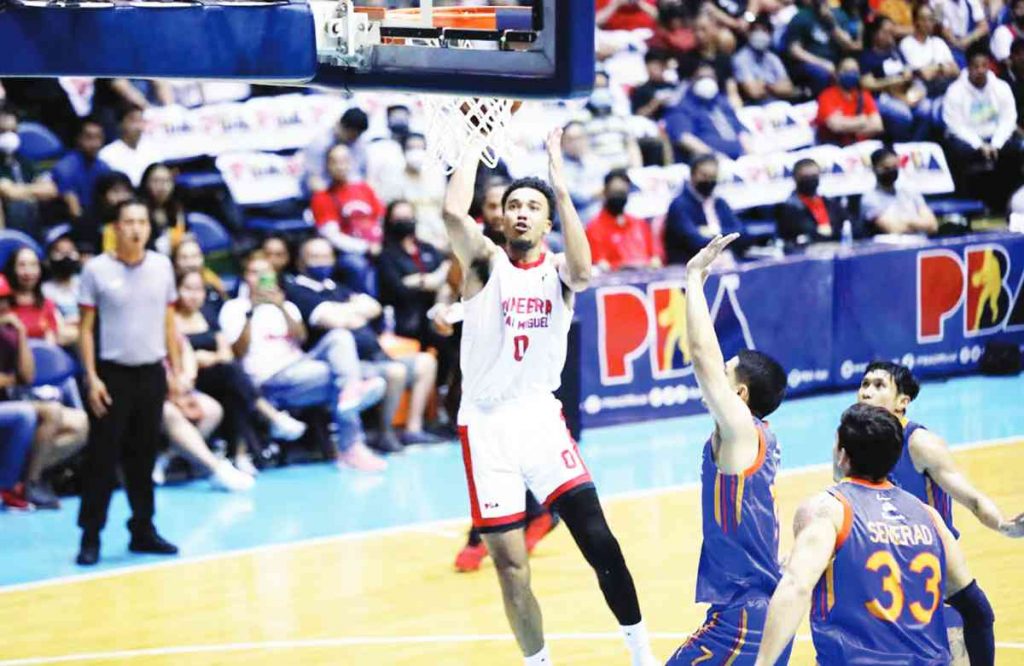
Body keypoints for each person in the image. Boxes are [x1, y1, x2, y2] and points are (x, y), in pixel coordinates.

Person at [443, 128, 659, 666]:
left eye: (531, 207)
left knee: (599, 539)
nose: (519, 213)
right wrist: (470, 143)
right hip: (487, 426)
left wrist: (560, 188)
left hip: (539, 419)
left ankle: (641, 653)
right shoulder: (484, 263)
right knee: (510, 565)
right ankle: (538, 663)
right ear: (501, 217)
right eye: (512, 205)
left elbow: (585, 271)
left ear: (546, 222)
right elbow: (452, 215)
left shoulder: (560, 272)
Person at [754, 404, 997, 666]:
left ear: (843, 456)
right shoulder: (930, 517)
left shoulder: (828, 510)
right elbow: (978, 611)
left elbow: (796, 587)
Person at [666, 234, 790, 665]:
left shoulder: (741, 432)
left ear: (739, 393)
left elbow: (701, 355)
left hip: (745, 616)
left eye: (726, 374)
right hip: (758, 609)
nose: (714, 378)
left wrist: (694, 279)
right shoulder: (756, 436)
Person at [76, 199, 182, 566]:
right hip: (112, 375)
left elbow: (169, 322)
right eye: (128, 222)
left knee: (144, 456)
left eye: (142, 222)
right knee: (102, 460)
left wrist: (177, 369)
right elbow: (86, 331)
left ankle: (143, 529)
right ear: (116, 228)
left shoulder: (162, 267)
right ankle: (90, 536)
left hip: (151, 373)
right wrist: (91, 378)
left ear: (148, 229)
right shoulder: (96, 271)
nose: (136, 228)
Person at [218, 250, 388, 472]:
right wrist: (252, 312)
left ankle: (349, 396)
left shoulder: (286, 305)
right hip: (270, 379)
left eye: (265, 273)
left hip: (300, 367)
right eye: (253, 273)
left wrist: (280, 307)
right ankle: (352, 445)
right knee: (354, 376)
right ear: (245, 277)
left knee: (340, 337)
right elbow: (237, 352)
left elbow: (300, 338)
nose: (259, 278)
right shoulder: (234, 308)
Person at [285, 237, 442, 452]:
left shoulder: (336, 287)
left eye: (326, 256)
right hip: (346, 365)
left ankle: (413, 429)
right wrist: (352, 311)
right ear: (301, 262)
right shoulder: (298, 291)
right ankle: (384, 433)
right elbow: (335, 321)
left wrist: (344, 312)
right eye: (315, 257)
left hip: (377, 354)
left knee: (426, 362)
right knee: (395, 372)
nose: (322, 262)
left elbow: (373, 306)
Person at [174, 269, 306, 472]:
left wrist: (208, 357)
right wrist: (196, 360)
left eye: (199, 289)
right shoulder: (170, 319)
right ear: (176, 290)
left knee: (232, 382)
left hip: (215, 373)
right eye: (188, 289)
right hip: (186, 379)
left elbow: (226, 353)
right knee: (232, 375)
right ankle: (272, 417)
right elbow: (177, 354)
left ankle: (240, 455)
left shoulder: (207, 314)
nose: (194, 295)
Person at [942, 46, 1022, 209]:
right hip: (968, 139)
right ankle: (970, 205)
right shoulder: (955, 91)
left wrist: (996, 144)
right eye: (976, 66)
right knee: (957, 151)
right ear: (968, 67)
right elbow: (955, 125)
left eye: (984, 65)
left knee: (1017, 150)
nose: (980, 70)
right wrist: (979, 145)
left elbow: (1008, 120)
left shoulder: (1001, 87)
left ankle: (1008, 203)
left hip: (996, 138)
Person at [309, 143, 384, 296]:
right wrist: (366, 247)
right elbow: (333, 237)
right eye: (335, 161)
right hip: (349, 253)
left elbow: (381, 218)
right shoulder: (322, 197)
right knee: (356, 264)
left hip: (378, 245)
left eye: (344, 160)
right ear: (327, 165)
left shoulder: (364, 188)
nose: (340, 166)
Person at [860, 15, 934, 142]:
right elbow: (867, 83)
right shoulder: (868, 56)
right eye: (886, 32)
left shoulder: (896, 51)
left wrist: (908, 78)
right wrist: (891, 82)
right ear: (875, 34)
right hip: (882, 96)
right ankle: (900, 145)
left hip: (904, 92)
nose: (891, 35)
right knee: (903, 114)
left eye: (892, 32)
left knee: (927, 108)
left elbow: (907, 70)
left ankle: (915, 143)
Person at [663, 155, 742, 264]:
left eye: (713, 176)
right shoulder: (679, 205)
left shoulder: (720, 202)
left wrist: (713, 232)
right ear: (692, 175)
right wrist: (725, 237)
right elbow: (695, 241)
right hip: (688, 264)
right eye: (705, 176)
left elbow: (739, 232)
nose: (709, 181)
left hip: (723, 258)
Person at [664, 64, 751, 162]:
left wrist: (751, 154)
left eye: (710, 77)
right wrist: (715, 158)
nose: (707, 82)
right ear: (692, 80)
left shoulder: (721, 101)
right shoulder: (681, 107)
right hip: (709, 162)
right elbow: (685, 138)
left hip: (740, 157)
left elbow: (740, 131)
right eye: (701, 78)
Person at [0, 108, 59, 240]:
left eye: (13, 131)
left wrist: (22, 192)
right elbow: (9, 193)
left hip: (31, 222)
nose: (9, 137)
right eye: (3, 132)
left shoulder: (22, 160)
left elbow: (51, 189)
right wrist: (33, 191)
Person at [585, 169, 661, 271]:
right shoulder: (594, 228)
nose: (618, 196)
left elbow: (656, 257)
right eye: (615, 192)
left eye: (622, 192)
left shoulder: (639, 223)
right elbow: (601, 264)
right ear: (605, 192)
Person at [3, 247, 75, 347]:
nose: (28, 272)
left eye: (33, 265)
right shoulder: (3, 305)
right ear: (12, 269)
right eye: (22, 265)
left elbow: (56, 335)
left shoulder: (48, 304)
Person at [860, 148, 939, 235]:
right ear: (874, 169)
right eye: (886, 168)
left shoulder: (909, 190)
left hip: (921, 243)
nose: (891, 171)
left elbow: (933, 226)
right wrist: (920, 223)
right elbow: (895, 229)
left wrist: (907, 221)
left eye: (894, 167)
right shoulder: (869, 199)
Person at [777, 158, 857, 244]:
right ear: (796, 178)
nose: (811, 181)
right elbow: (801, 232)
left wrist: (833, 231)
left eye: (814, 176)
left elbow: (851, 224)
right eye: (806, 177)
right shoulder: (788, 208)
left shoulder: (830, 203)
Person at [50, 117, 111, 220]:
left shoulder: (104, 167)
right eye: (89, 137)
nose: (94, 143)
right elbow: (75, 211)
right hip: (65, 222)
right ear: (79, 139)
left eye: (98, 137)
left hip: (94, 219)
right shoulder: (65, 168)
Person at [816, 58, 885, 146]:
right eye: (846, 70)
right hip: (836, 147)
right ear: (837, 74)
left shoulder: (864, 95)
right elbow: (835, 126)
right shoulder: (827, 95)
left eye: (854, 71)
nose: (851, 74)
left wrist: (847, 127)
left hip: (862, 145)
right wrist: (862, 121)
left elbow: (877, 126)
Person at [900, 5, 961, 97]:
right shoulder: (907, 43)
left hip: (946, 87)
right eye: (923, 19)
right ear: (915, 21)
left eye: (930, 19)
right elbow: (924, 74)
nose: (928, 23)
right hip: (923, 90)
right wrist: (942, 68)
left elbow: (956, 70)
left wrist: (937, 69)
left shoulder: (938, 42)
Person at [733, 15, 796, 104]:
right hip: (754, 108)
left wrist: (766, 86)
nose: (760, 34)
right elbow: (754, 92)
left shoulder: (773, 58)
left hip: (778, 104)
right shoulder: (740, 59)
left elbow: (789, 89)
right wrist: (776, 87)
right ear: (749, 34)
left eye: (764, 31)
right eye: (756, 31)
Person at [42, 227, 83, 347]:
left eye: (70, 252)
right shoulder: (45, 290)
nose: (66, 257)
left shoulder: (84, 283)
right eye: (60, 252)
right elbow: (55, 332)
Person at [97, 106, 157, 187]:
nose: (138, 126)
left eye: (141, 121)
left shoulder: (152, 148)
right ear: (121, 124)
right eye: (133, 121)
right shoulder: (107, 154)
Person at [140, 163, 186, 253]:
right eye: (156, 181)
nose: (162, 186)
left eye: (167, 181)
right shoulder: (138, 210)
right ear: (146, 183)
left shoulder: (177, 208)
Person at [630, 50, 680, 120]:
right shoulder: (641, 90)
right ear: (647, 67)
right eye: (654, 66)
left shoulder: (673, 87)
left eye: (660, 65)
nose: (657, 69)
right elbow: (637, 115)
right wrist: (655, 103)